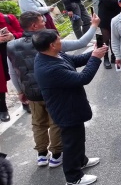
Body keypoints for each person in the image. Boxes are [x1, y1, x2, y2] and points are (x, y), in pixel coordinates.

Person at [7, 11, 100, 166]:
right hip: (56, 93)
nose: (45, 22)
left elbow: (13, 71)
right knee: (61, 126)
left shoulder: (13, 45)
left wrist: (20, 91)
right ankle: (58, 156)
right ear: (34, 26)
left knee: (38, 124)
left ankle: (42, 154)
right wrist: (94, 26)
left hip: (32, 92)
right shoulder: (50, 47)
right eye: (41, 21)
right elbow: (81, 45)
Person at [33, 29, 107, 185]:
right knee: (71, 142)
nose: (61, 40)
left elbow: (76, 60)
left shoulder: (52, 55)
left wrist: (94, 52)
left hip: (72, 105)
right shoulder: (50, 68)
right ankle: (73, 177)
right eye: (59, 39)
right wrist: (95, 58)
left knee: (78, 137)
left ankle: (81, 161)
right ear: (52, 45)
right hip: (65, 109)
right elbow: (83, 78)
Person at [0, 14, 23, 121]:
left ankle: (26, 100)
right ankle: (3, 109)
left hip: (13, 52)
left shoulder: (8, 18)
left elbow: (23, 33)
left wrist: (12, 36)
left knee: (20, 75)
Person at [97, 0, 121, 69]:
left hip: (115, 17)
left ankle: (114, 56)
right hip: (105, 17)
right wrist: (119, 1)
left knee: (114, 38)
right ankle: (105, 58)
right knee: (105, 39)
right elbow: (109, 3)